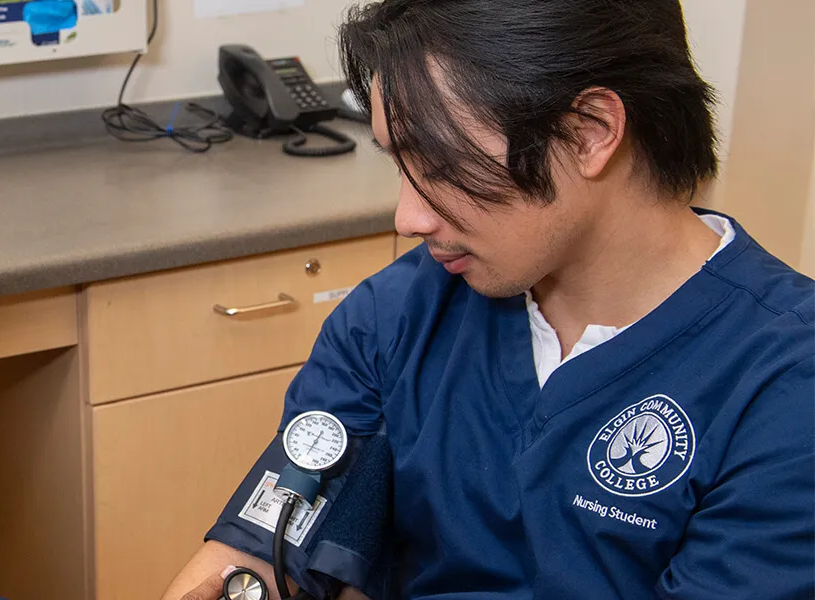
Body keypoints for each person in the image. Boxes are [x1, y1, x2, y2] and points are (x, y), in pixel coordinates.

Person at [164, 0, 814, 598]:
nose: (408, 218)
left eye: (440, 165)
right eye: (400, 165)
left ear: (589, 132)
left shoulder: (784, 385)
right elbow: (263, 552)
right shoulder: (394, 318)